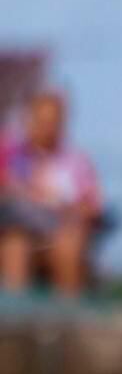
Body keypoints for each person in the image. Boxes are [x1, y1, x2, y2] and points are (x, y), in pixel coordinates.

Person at [0, 89, 106, 297]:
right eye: (41, 121)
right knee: (15, 246)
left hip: (62, 233)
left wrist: (66, 210)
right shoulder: (10, 157)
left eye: (53, 122)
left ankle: (68, 320)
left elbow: (94, 209)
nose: (47, 128)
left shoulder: (77, 162)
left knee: (68, 245)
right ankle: (15, 323)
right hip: (20, 232)